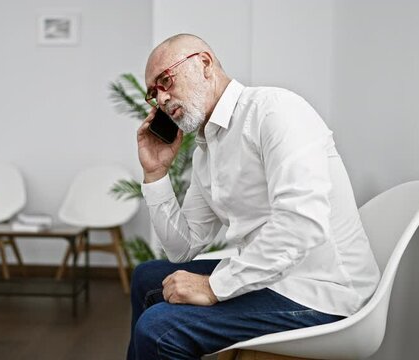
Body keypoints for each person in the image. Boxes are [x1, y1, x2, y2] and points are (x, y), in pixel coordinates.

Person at [127, 33, 381, 360]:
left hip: (323, 291)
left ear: (204, 64)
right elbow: (183, 248)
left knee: (160, 329)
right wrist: (156, 173)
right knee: (146, 277)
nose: (161, 99)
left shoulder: (275, 110)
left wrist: (213, 287)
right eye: (153, 92)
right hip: (274, 277)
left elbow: (300, 225)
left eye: (166, 80)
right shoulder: (207, 150)